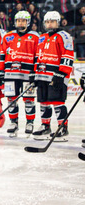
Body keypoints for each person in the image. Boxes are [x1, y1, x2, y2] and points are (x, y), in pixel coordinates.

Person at [34, 10, 74, 140]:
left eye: (52, 22)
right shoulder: (42, 37)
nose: (49, 24)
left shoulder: (64, 36)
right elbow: (38, 57)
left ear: (57, 22)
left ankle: (62, 127)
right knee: (43, 101)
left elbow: (67, 55)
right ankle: (45, 126)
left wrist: (61, 73)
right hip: (42, 75)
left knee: (57, 101)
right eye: (47, 22)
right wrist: (35, 74)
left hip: (56, 75)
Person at [3, 10, 38, 136]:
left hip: (27, 74)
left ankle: (30, 122)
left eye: (23, 20)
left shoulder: (35, 37)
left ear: (28, 22)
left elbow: (38, 55)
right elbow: (3, 55)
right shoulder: (8, 36)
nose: (20, 22)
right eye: (18, 20)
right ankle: (13, 122)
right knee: (11, 99)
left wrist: (35, 72)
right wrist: (1, 72)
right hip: (10, 73)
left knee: (28, 99)